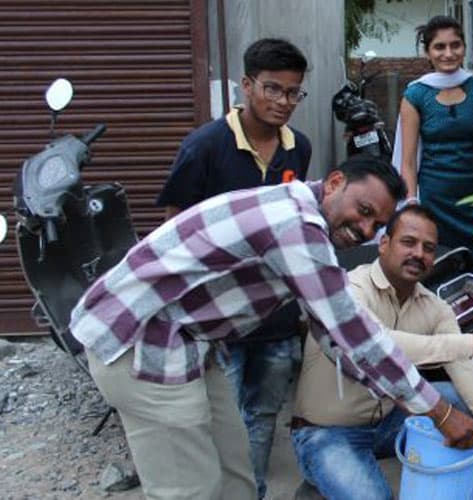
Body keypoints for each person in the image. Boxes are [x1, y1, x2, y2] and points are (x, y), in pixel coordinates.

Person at [70, 155, 473, 500]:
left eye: (377, 224)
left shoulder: (301, 217)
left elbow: (331, 331)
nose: (366, 229)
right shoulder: (296, 226)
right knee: (190, 490)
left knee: (237, 478)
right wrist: (438, 409)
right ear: (334, 183)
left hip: (190, 340)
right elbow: (354, 332)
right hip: (141, 340)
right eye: (365, 211)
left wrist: (400, 394)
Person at [291, 205, 473, 498]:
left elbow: (466, 367)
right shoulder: (349, 289)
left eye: (428, 248)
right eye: (408, 242)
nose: (419, 254)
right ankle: (321, 477)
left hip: (387, 424)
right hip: (327, 432)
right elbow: (376, 345)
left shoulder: (432, 306)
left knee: (458, 397)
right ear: (384, 245)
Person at [155, 38, 311, 498]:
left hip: (275, 318)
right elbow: (172, 236)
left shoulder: (296, 149)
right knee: (208, 422)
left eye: (293, 92)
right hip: (214, 319)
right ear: (247, 85)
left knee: (262, 416)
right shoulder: (204, 147)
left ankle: (253, 492)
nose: (283, 102)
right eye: (272, 89)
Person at [394, 15, 473, 283]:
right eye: (439, 47)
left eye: (456, 45)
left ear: (465, 47)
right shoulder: (416, 95)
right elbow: (407, 161)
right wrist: (411, 205)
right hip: (435, 204)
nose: (449, 53)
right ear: (428, 52)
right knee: (439, 275)